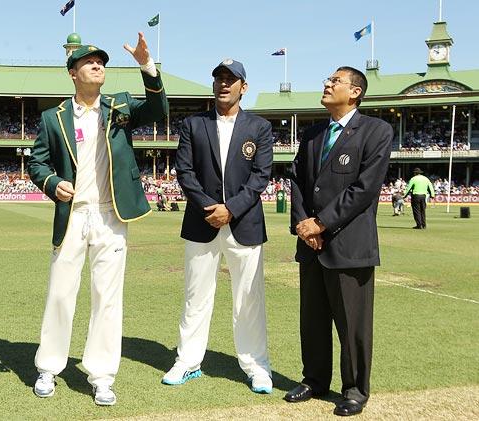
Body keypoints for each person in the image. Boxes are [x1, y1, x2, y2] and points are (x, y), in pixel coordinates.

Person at [27, 33, 168, 406]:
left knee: (107, 297)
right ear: (73, 73)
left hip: (111, 214)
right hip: (73, 214)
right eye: (89, 62)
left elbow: (157, 111)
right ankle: (48, 367)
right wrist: (52, 182)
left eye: (101, 62)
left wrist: (146, 67)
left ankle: (102, 375)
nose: (98, 65)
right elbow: (36, 161)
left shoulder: (118, 106)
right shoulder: (52, 118)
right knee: (61, 293)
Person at [162, 59, 274, 394]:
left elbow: (261, 177)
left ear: (244, 86)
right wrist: (210, 208)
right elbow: (185, 172)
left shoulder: (259, 127)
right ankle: (188, 361)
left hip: (245, 223)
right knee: (196, 295)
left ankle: (257, 366)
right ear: (213, 85)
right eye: (219, 79)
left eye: (231, 79)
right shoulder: (193, 124)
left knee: (248, 299)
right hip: (202, 220)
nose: (224, 84)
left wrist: (231, 209)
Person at [288, 67, 393, 416]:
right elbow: (298, 182)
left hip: (349, 245)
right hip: (312, 244)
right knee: (313, 319)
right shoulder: (314, 133)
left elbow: (364, 189)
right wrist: (305, 226)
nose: (327, 84)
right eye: (327, 80)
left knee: (353, 325)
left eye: (335, 81)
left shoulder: (376, 131)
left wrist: (322, 224)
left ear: (355, 92)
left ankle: (355, 390)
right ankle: (314, 379)